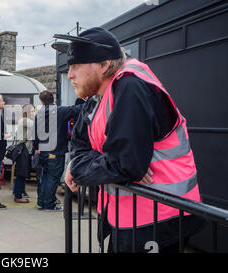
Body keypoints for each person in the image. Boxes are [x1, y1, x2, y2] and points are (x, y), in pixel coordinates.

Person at [57, 27, 204, 252]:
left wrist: (81, 168)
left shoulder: (130, 85)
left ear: (105, 65)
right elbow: (80, 146)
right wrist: (85, 163)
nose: (70, 75)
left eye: (76, 66)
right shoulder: (96, 95)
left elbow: (125, 165)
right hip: (128, 215)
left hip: (159, 218)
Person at [34, 90, 83, 211]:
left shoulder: (38, 114)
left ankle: (41, 202)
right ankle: (49, 204)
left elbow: (34, 133)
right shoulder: (60, 111)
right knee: (53, 177)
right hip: (56, 151)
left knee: (45, 176)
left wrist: (36, 148)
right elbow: (78, 109)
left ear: (42, 101)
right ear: (53, 99)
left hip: (43, 151)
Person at [13, 104, 36, 203]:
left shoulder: (24, 120)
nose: (33, 113)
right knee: (21, 174)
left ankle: (19, 192)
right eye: (31, 111)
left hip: (24, 150)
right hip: (23, 150)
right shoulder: (25, 120)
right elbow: (38, 125)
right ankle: (18, 196)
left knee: (22, 174)